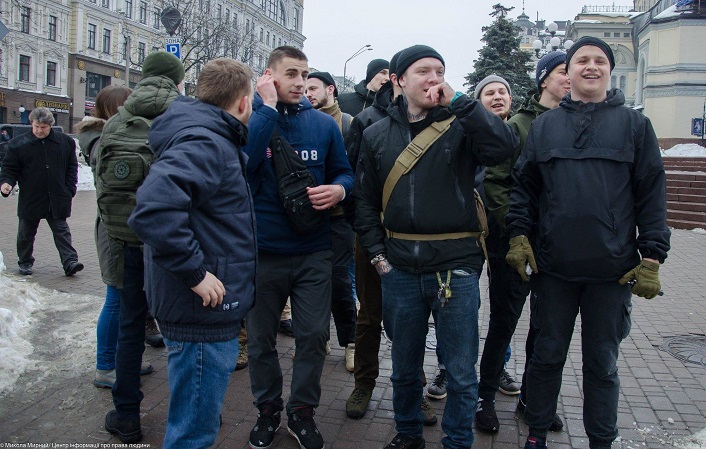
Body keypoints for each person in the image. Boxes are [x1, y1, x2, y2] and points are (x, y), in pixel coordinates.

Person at [505, 37, 671, 449]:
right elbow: (524, 189)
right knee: (546, 357)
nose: (591, 66)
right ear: (569, 70)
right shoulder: (545, 126)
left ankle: (601, 441)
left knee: (602, 365)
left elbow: (651, 193)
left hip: (612, 273)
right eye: (582, 60)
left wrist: (652, 256)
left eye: (600, 60)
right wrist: (519, 234)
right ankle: (536, 436)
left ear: (610, 70)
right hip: (554, 269)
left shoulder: (634, 126)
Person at [355, 44, 517, 449]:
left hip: (455, 266)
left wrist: (462, 103)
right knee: (404, 368)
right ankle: (408, 433)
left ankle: (457, 441)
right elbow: (365, 201)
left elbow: (504, 148)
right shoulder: (375, 134)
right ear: (399, 80)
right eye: (423, 71)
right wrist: (377, 254)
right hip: (399, 268)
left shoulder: (462, 126)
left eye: (439, 71)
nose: (434, 78)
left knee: (461, 372)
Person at [128, 57, 256, 449]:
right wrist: (195, 273)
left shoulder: (207, 133)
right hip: (199, 314)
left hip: (202, 311)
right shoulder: (206, 141)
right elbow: (153, 209)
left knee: (197, 420)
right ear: (243, 103)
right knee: (192, 434)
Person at [244, 46, 354, 449]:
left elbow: (345, 171)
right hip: (263, 253)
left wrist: (339, 189)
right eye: (290, 74)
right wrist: (266, 110)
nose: (300, 83)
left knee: (313, 337)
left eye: (304, 75)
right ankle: (267, 409)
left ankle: (302, 412)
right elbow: (243, 164)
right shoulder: (251, 118)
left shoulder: (323, 125)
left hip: (313, 251)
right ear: (269, 76)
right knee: (260, 341)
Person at [480, 52, 571, 435]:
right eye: (564, 71)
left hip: (556, 246)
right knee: (504, 323)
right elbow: (495, 182)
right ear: (543, 79)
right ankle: (485, 398)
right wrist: (517, 231)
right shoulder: (519, 125)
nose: (571, 77)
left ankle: (532, 399)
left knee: (544, 328)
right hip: (514, 246)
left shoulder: (574, 122)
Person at [99, 51, 184, 444]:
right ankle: (192, 411)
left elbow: (102, 181)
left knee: (131, 326)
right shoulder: (186, 115)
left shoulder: (117, 121)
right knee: (183, 331)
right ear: (177, 81)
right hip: (175, 241)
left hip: (127, 237)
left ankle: (127, 415)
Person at [74, 85, 156, 389]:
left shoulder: (107, 136)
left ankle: (123, 360)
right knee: (116, 298)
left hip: (121, 226)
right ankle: (106, 366)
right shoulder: (101, 139)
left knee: (126, 298)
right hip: (114, 230)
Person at [306, 71, 357, 372]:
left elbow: (356, 170)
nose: (308, 93)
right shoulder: (302, 121)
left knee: (339, 280)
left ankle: (351, 342)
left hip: (339, 218)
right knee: (313, 281)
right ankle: (319, 337)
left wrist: (340, 191)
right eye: (305, 89)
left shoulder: (348, 123)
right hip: (308, 218)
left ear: (331, 90)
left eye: (313, 88)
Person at [0, 107, 83, 277]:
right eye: (36, 126)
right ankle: (25, 262)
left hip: (57, 196)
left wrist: (69, 189)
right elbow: (9, 169)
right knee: (26, 233)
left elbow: (72, 167)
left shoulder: (65, 142)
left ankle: (70, 262)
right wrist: (6, 183)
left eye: (43, 127)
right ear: (32, 124)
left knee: (62, 232)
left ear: (50, 125)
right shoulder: (18, 144)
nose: (39, 130)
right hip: (31, 197)